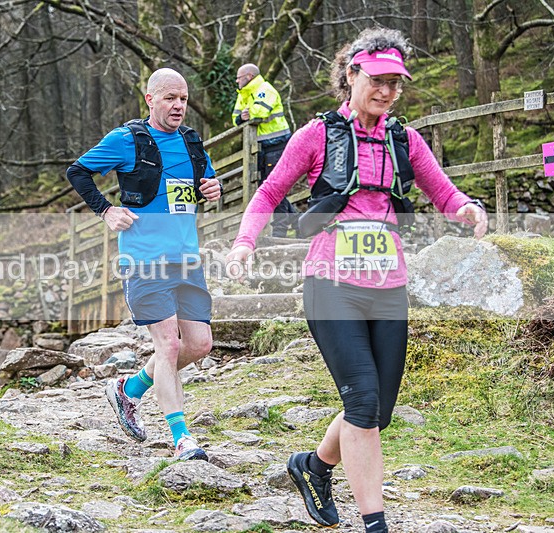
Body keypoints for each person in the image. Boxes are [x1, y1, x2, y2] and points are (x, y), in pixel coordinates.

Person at [226, 28, 487, 532]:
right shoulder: (317, 135)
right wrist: (244, 242)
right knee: (363, 401)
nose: (387, 91)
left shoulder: (403, 139)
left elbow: (444, 193)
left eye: (395, 83)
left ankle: (314, 466)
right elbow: (269, 192)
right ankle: (375, 524)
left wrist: (468, 208)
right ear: (351, 74)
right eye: (378, 80)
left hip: (388, 286)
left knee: (376, 410)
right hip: (331, 284)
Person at [66, 68, 222, 461]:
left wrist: (213, 188)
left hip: (186, 259)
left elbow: (207, 181)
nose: (178, 106)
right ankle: (182, 439)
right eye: (170, 98)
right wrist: (106, 211)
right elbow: (78, 172)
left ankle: (129, 389)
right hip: (144, 260)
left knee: (199, 344)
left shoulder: (191, 141)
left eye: (183, 99)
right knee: (168, 345)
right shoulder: (127, 140)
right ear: (150, 99)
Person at [232, 63, 296, 237]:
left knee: (275, 186)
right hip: (259, 147)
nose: (237, 81)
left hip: (276, 144)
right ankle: (297, 220)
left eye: (239, 78)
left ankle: (280, 230)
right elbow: (236, 117)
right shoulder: (243, 94)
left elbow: (260, 112)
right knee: (265, 187)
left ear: (249, 76)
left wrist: (248, 113)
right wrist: (242, 116)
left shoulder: (265, 89)